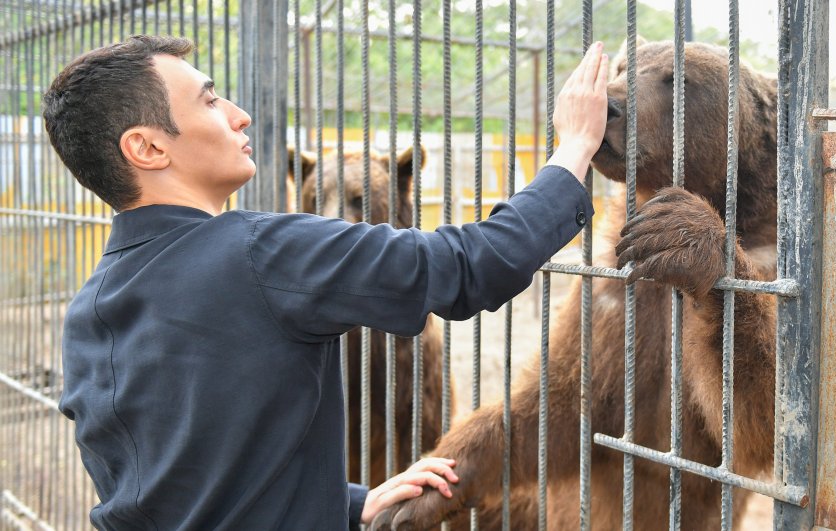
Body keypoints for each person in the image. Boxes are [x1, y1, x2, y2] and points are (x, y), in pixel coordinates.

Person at [42, 35, 609, 530]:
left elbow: (185, 479)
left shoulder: (89, 311)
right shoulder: (263, 253)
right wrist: (574, 148)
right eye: (211, 99)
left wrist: (349, 502)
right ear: (147, 146)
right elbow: (469, 266)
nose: (239, 115)